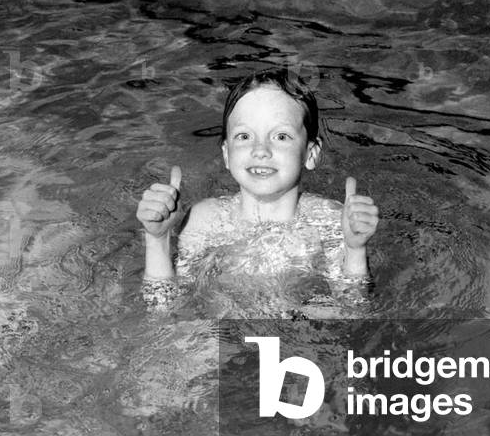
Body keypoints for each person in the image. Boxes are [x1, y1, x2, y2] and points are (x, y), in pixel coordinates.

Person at [135, 68, 379, 315]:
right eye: (244, 136)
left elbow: (353, 310)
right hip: (220, 333)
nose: (260, 150)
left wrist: (355, 250)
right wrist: (158, 240)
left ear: (311, 153)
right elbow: (164, 309)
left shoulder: (330, 221)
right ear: (227, 153)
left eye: (281, 136)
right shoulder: (205, 220)